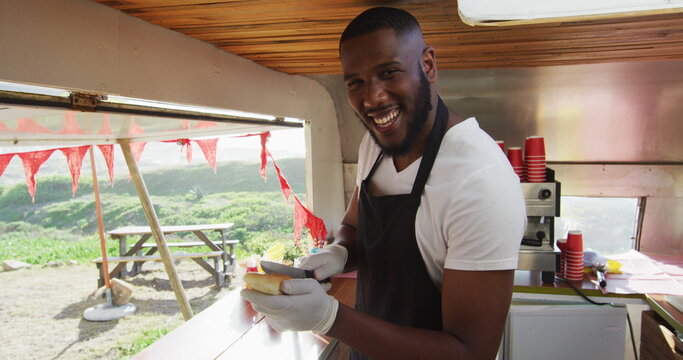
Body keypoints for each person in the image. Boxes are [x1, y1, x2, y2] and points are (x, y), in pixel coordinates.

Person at [241, 7, 526, 360]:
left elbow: (471, 352)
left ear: (428, 65)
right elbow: (353, 225)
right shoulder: (375, 144)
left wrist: (330, 317)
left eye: (389, 72)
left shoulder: (479, 182)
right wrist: (337, 253)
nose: (372, 98)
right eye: (356, 82)